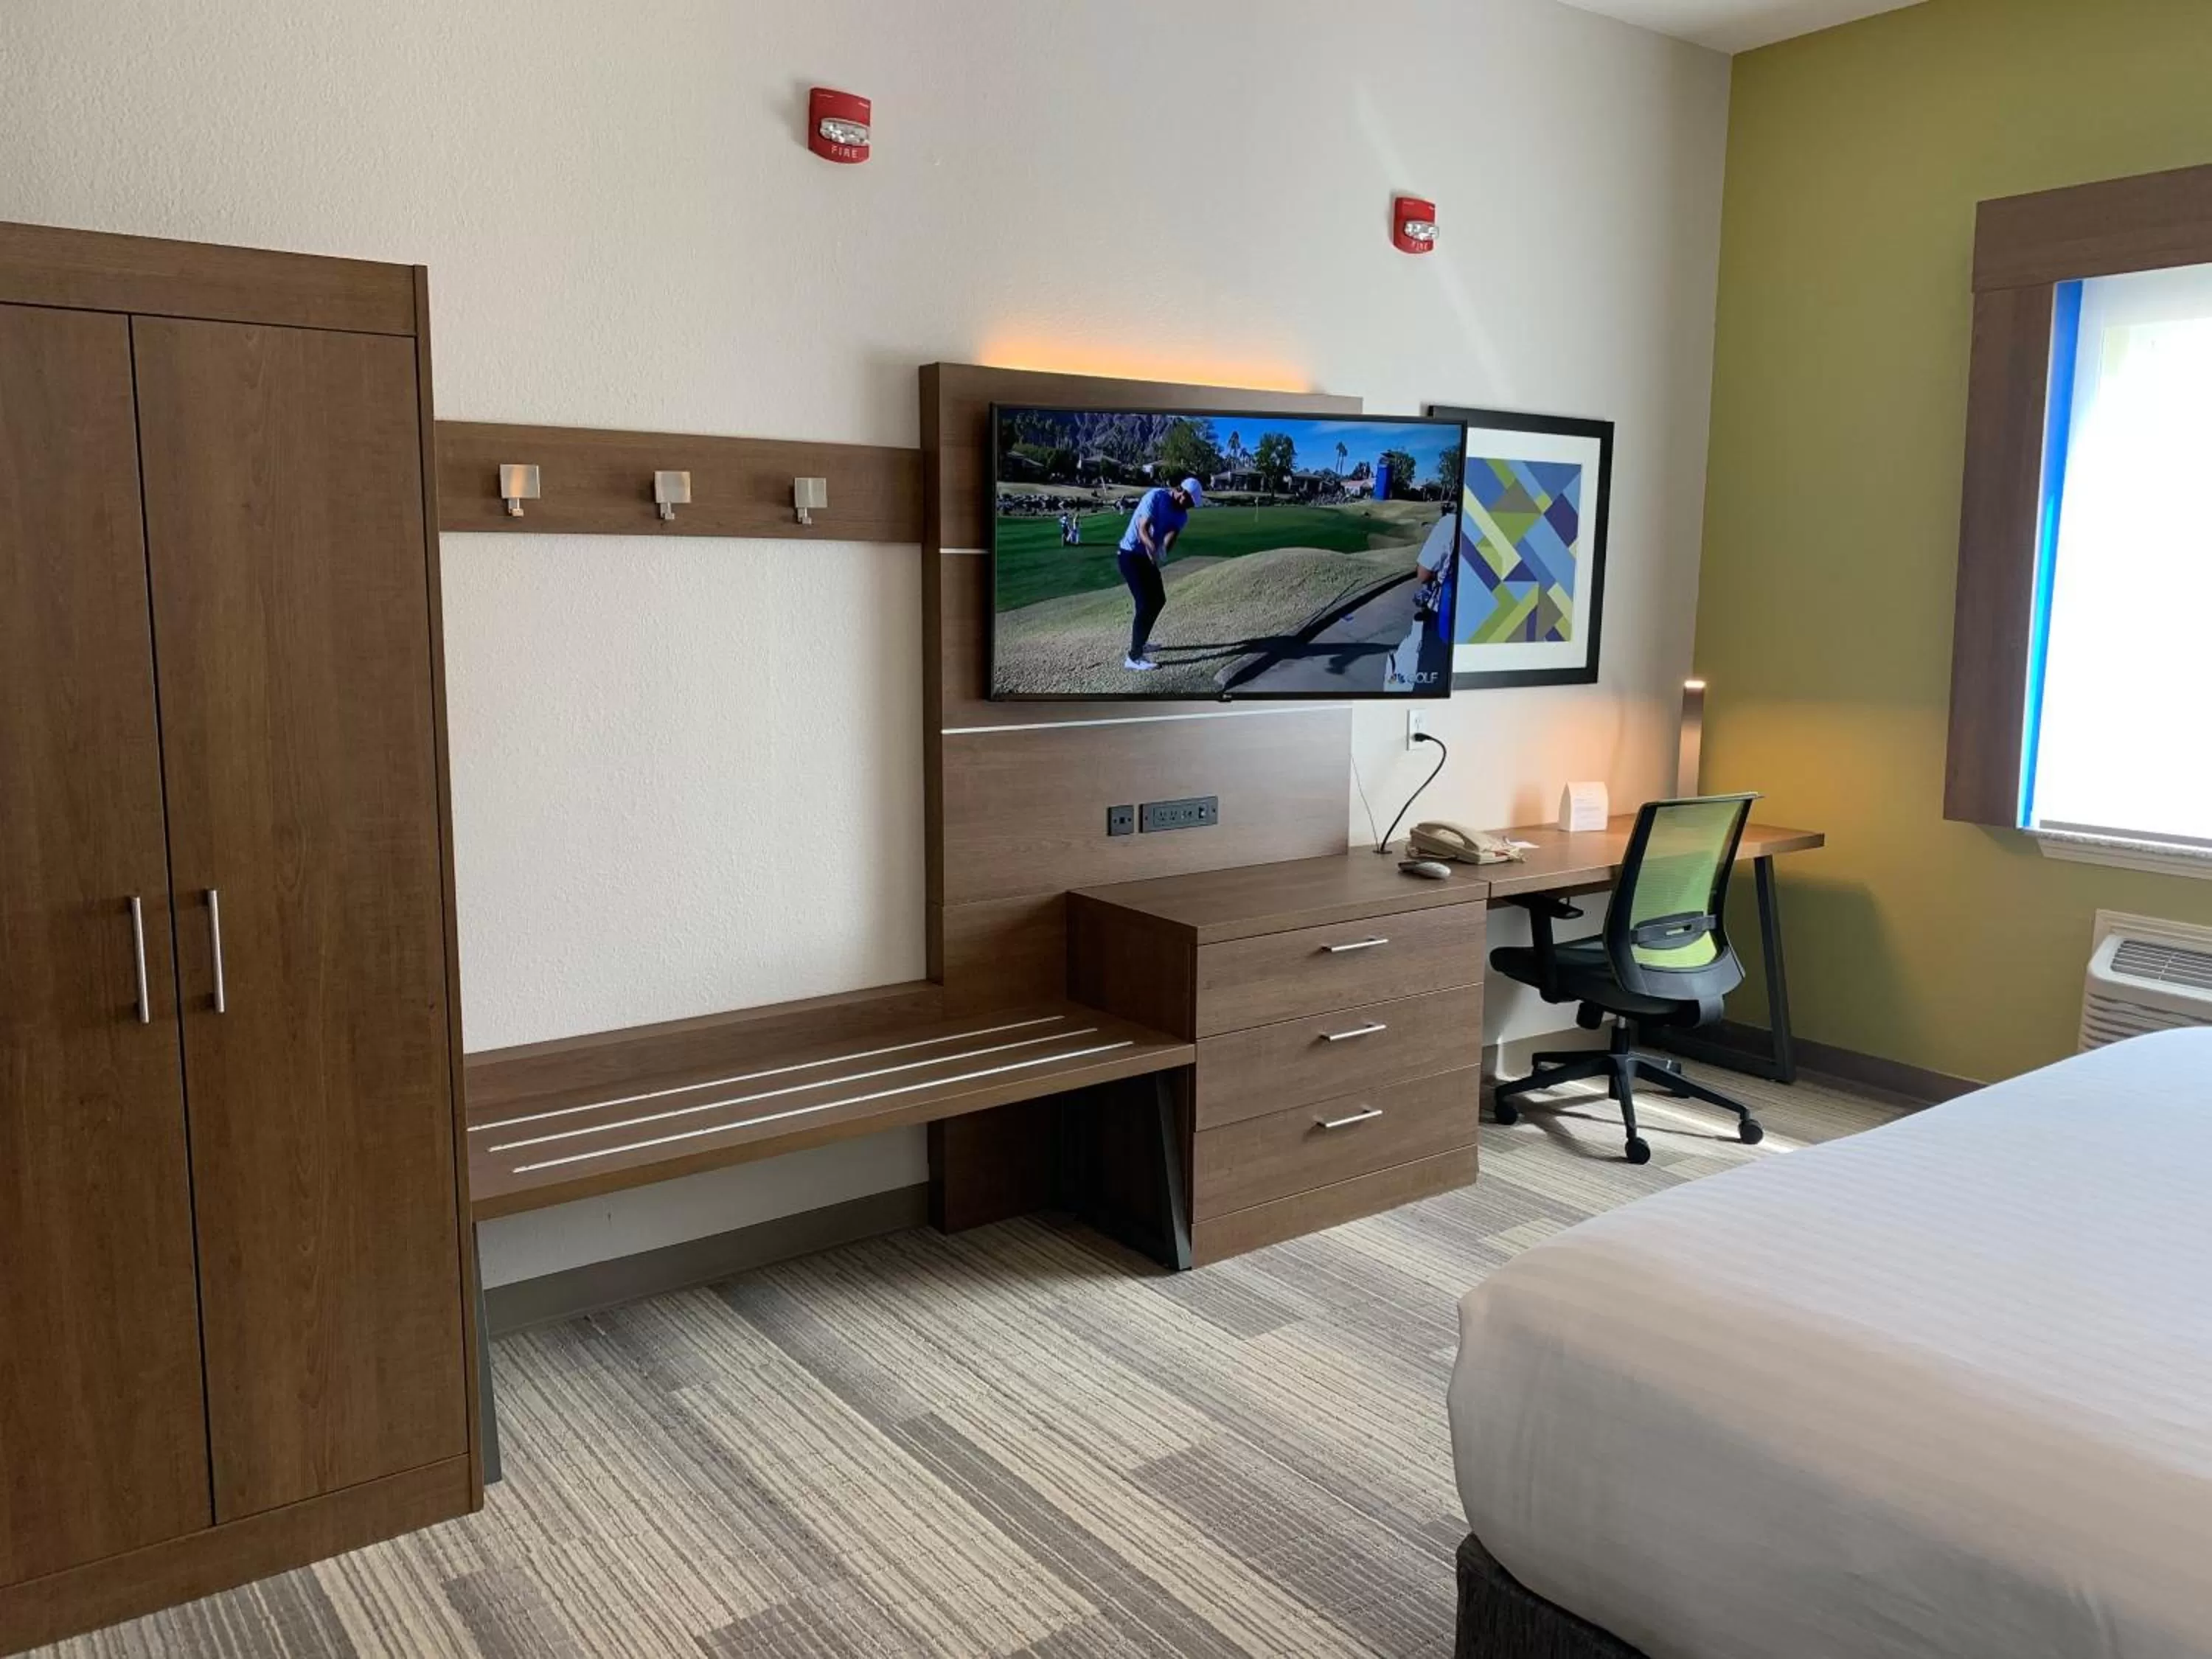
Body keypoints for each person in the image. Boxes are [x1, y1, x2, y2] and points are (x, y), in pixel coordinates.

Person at [1114, 476, 1203, 671]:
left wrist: (1162, 551)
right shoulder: (1155, 497)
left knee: (1158, 600)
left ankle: (1141, 640)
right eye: (1189, 501)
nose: (1189, 506)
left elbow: (1172, 534)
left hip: (1147, 559)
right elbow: (1142, 528)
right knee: (1145, 603)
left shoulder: (1182, 515)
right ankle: (1134, 657)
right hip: (1129, 556)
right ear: (1181, 491)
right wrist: (1152, 547)